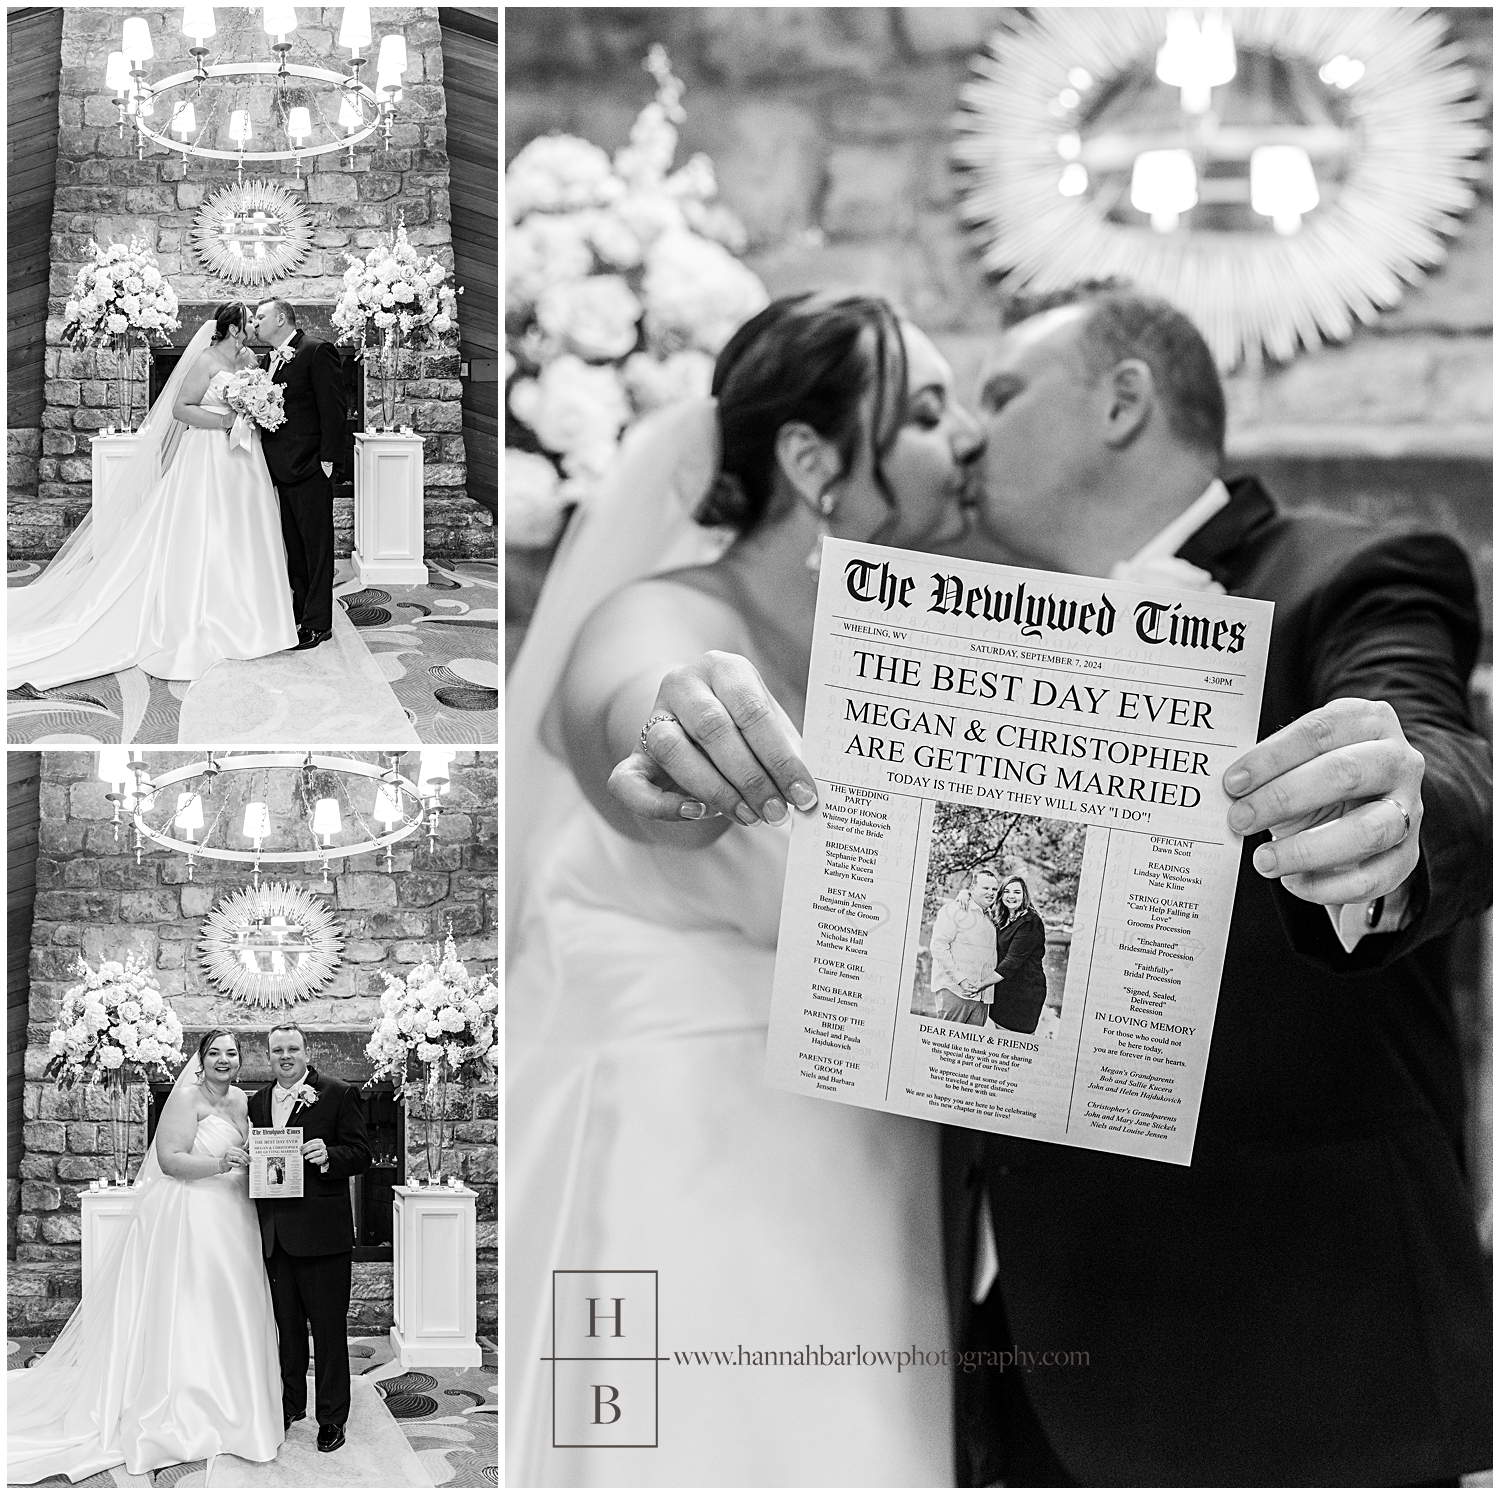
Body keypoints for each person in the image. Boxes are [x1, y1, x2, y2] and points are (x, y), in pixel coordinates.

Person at [612, 288, 1491, 1485]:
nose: (970, 434)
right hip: (1016, 1349)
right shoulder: (976, 632)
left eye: (1005, 394)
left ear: (1123, 402)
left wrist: (1400, 817)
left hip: (1300, 1351)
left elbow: (1437, 747)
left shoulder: (1353, 571)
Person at [507, 291, 984, 1484]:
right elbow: (627, 706)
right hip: (681, 1167)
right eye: (926, 414)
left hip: (874, 1182)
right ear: (814, 461)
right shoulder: (661, 613)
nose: (966, 436)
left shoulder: (929, 657)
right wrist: (672, 733)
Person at [8, 1029, 282, 1481]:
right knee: (189, 1307)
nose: (224, 1060)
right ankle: (184, 1405)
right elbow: (171, 1160)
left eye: (231, 1053)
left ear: (241, 1060)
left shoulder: (242, 1101)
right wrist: (222, 1164)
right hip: (193, 1216)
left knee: (232, 1306)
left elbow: (253, 1150)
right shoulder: (186, 1099)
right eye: (214, 1053)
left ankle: (238, 1401)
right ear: (201, 1059)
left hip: (236, 1214)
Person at [8, 304, 299, 689]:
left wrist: (258, 410)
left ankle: (253, 615)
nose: (254, 326)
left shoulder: (250, 358)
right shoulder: (206, 360)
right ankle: (201, 614)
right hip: (208, 455)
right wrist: (226, 420)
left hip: (245, 459)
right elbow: (182, 409)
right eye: (249, 321)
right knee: (203, 532)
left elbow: (257, 400)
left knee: (247, 531)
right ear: (233, 328)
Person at [247, 1022, 371, 1456]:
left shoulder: (337, 1092)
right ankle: (291, 1404)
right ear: (268, 1055)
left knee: (329, 1330)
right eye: (277, 1049)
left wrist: (327, 1156)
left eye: (293, 1048)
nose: (285, 1055)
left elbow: (361, 1153)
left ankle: (332, 1418)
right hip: (276, 1236)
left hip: (323, 1236)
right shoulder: (258, 1102)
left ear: (306, 1051)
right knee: (288, 1330)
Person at [252, 298, 346, 651]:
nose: (256, 324)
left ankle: (318, 623)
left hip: (310, 466)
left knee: (317, 548)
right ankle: (299, 611)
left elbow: (333, 410)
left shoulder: (316, 351)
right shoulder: (268, 360)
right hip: (281, 466)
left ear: (280, 318)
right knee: (294, 546)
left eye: (261, 317)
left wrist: (328, 461)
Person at [928, 866, 1001, 1024]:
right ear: (973, 888)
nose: (991, 892)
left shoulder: (992, 917)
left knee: (970, 1047)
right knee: (944, 1041)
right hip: (954, 992)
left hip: (982, 998)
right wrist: (960, 979)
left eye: (994, 889)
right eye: (986, 888)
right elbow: (938, 947)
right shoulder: (955, 910)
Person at [988, 876, 1048, 1035]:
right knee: (1000, 1035)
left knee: (1018, 1040)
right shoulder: (1003, 917)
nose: (1011, 896)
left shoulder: (1030, 921)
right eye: (1007, 891)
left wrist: (980, 984)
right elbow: (981, 902)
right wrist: (965, 895)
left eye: (1016, 892)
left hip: (1024, 993)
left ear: (1024, 895)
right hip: (1003, 990)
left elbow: (1011, 962)